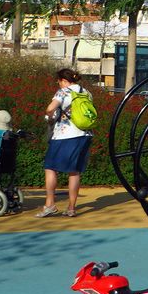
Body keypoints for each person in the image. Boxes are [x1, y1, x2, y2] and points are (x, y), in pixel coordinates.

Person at [35, 69, 92, 218]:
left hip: (64, 136)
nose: (58, 84)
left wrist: (49, 116)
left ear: (63, 80)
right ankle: (71, 208)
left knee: (50, 167)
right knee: (74, 171)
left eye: (58, 81)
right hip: (84, 134)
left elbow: (50, 108)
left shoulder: (63, 92)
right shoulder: (86, 92)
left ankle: (50, 205)